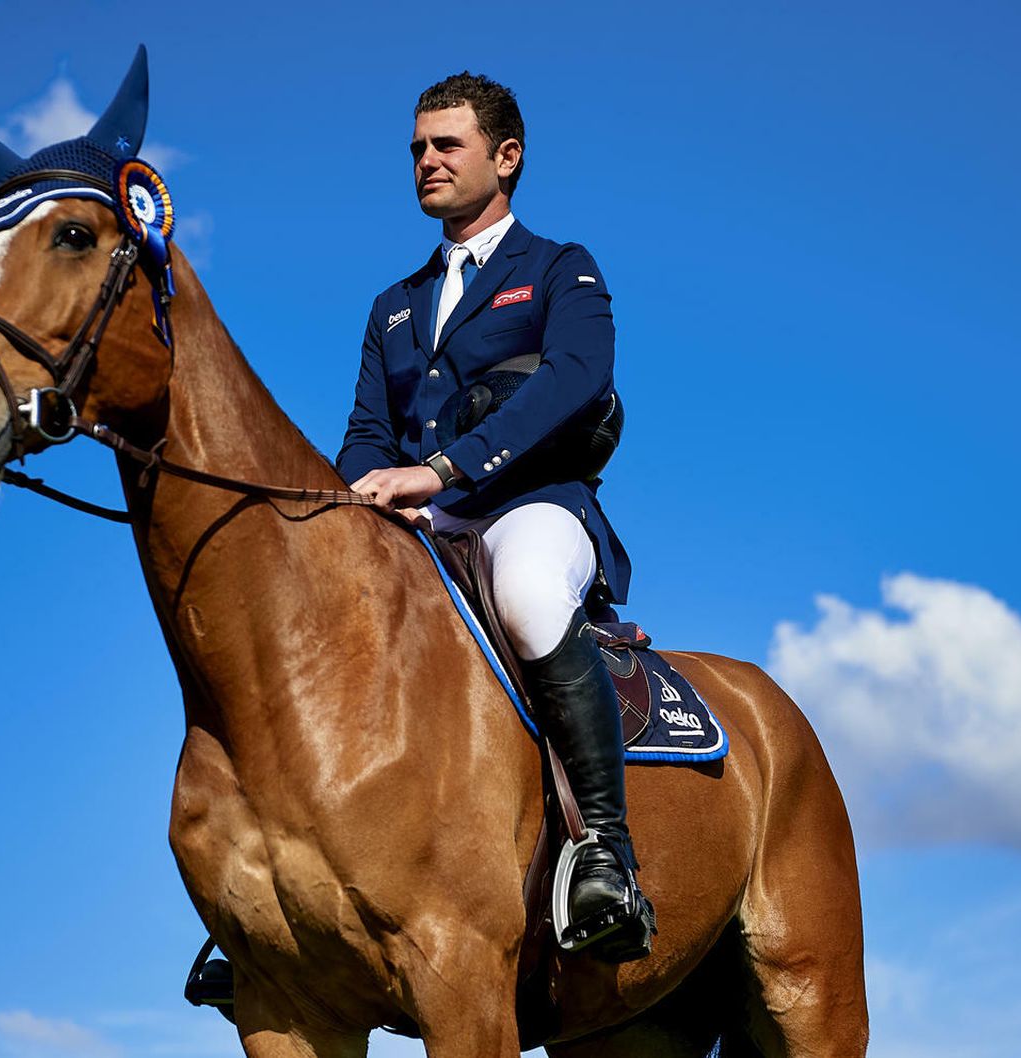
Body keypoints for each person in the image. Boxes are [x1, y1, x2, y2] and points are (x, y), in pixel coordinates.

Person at [338, 72, 653, 962]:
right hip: (420, 523)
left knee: (526, 594)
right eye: (417, 148)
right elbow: (365, 432)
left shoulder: (560, 267)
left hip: (531, 508)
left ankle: (605, 849)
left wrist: (440, 471)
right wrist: (361, 495)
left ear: (506, 157)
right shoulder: (393, 305)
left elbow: (576, 379)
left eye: (447, 144)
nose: (426, 160)